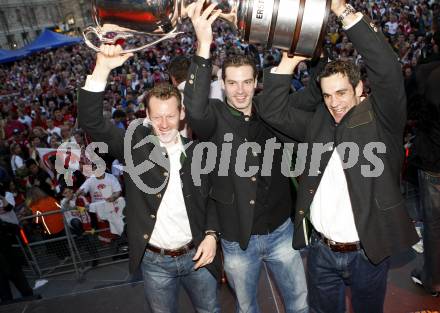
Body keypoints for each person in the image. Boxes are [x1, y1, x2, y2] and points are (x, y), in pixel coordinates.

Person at [256, 1, 419, 312]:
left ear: (360, 89)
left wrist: (342, 10)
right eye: (328, 95)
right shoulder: (318, 121)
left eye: (342, 92)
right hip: (321, 251)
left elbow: (385, 67)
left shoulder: (382, 119)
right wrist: (288, 63)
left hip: (367, 253)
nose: (334, 103)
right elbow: (272, 110)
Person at [184, 1, 314, 312]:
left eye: (246, 82)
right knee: (247, 308)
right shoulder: (212, 117)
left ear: (257, 82)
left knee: (299, 303)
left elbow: (313, 95)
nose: (240, 91)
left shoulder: (274, 112)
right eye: (232, 83)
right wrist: (203, 45)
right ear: (222, 85)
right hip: (236, 239)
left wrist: (305, 41)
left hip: (282, 230)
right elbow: (194, 108)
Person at [77, 46, 221, 313]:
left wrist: (212, 235)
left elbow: (213, 199)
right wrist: (102, 69)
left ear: (182, 114)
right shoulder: (134, 148)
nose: (164, 124)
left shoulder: (199, 152)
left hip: (197, 255)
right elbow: (92, 122)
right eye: (157, 117)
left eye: (169, 116)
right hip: (155, 261)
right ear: (147, 117)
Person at [409, 62, 440, 297]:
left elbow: (409, 109)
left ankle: (434, 280)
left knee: (434, 224)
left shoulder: (425, 73)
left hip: (433, 160)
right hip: (432, 160)